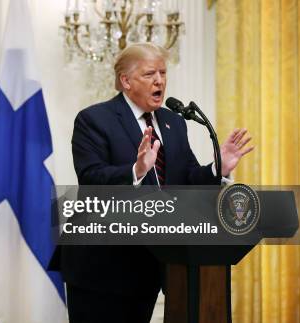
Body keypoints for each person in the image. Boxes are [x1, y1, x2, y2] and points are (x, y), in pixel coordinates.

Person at [58, 43, 254, 322]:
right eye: (150, 74)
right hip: (101, 266)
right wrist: (135, 171)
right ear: (125, 81)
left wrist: (216, 168)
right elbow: (91, 179)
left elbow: (186, 179)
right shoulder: (94, 119)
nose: (160, 80)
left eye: (163, 72)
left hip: (151, 263)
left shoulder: (174, 122)